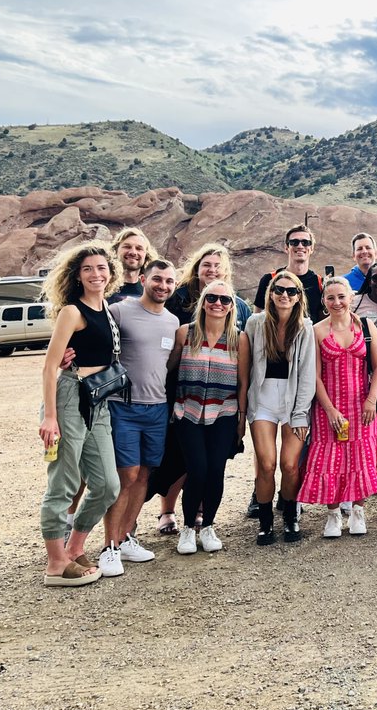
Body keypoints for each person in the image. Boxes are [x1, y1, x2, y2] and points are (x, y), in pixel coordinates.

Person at [37, 242, 122, 586]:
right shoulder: (72, 312)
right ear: (77, 275)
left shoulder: (108, 310)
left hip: (99, 400)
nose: (95, 274)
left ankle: (74, 548)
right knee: (64, 482)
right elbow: (48, 366)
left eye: (101, 268)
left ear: (110, 274)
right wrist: (50, 417)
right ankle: (56, 563)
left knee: (107, 485)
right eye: (87, 269)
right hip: (71, 396)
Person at [95, 259, 180, 576]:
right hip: (123, 407)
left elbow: (167, 364)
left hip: (156, 408)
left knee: (144, 475)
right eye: (158, 279)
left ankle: (126, 538)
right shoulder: (120, 310)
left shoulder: (172, 322)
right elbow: (95, 340)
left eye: (170, 282)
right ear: (144, 279)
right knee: (125, 476)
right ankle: (109, 547)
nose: (163, 286)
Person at [159, 243, 250, 531]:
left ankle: (208, 526)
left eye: (224, 300)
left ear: (232, 305)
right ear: (203, 302)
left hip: (224, 413)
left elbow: (243, 381)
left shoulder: (239, 339)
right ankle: (187, 529)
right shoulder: (184, 334)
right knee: (196, 470)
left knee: (216, 472)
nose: (218, 303)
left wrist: (241, 420)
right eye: (212, 298)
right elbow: (165, 369)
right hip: (188, 412)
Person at [298, 276, 377, 537]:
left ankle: (358, 512)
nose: (337, 302)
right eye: (331, 297)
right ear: (324, 301)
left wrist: (371, 400)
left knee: (360, 456)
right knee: (331, 459)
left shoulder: (366, 327)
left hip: (362, 406)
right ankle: (333, 515)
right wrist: (329, 409)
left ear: (351, 297)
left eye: (341, 296)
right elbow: (314, 376)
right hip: (330, 407)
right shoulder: (316, 331)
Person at [246, 271, 317, 544]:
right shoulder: (255, 323)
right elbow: (248, 367)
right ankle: (265, 523)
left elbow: (308, 374)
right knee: (266, 464)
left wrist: (300, 413)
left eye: (291, 291)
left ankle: (290, 515)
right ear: (271, 293)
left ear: (299, 296)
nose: (284, 295)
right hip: (263, 400)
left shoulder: (305, 327)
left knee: (289, 465)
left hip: (292, 402)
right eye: (279, 290)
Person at [167, 243, 252, 330]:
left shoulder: (241, 308)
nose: (212, 270)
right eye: (206, 265)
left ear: (226, 272)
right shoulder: (176, 299)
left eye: (218, 266)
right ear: (197, 269)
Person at [254, 223, 324, 321]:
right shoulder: (270, 279)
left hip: (309, 335)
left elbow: (323, 321)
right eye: (294, 242)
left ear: (311, 248)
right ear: (286, 248)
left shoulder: (319, 283)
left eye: (305, 242)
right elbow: (256, 318)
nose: (300, 246)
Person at [108, 227, 158, 304]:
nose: (133, 252)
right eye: (127, 247)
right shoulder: (103, 286)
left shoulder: (151, 291)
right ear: (115, 250)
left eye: (139, 248)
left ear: (146, 255)